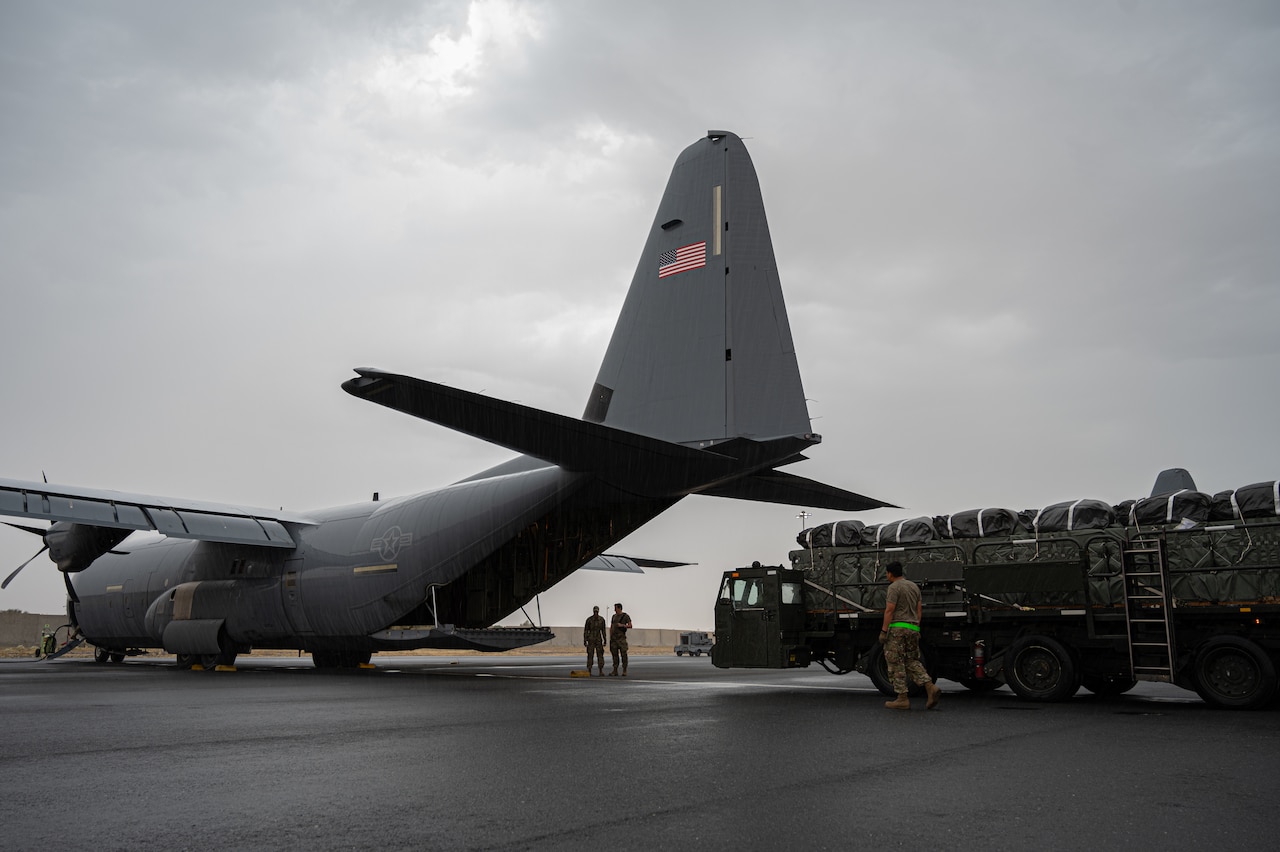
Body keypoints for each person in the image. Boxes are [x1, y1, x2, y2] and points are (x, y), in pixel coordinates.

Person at [879, 562, 941, 710]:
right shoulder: (913, 586)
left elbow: (889, 610)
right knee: (912, 660)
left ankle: (902, 698)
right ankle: (930, 686)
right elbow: (919, 610)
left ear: (890, 574)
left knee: (896, 662)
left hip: (897, 629)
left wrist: (883, 631)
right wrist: (916, 627)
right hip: (913, 628)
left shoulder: (893, 588)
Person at [609, 602, 633, 676]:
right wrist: (610, 635)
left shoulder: (625, 616)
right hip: (614, 639)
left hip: (621, 639)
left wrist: (622, 625)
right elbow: (611, 626)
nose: (614, 610)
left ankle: (624, 670)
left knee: (624, 655)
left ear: (619, 608)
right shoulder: (614, 616)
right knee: (614, 655)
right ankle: (615, 670)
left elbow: (630, 625)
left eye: (615, 608)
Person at [583, 606, 607, 676]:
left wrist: (605, 639)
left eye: (597, 611)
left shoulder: (601, 620)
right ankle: (589, 670)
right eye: (594, 611)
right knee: (590, 655)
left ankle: (601, 670)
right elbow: (586, 630)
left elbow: (603, 631)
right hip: (591, 639)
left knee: (600, 655)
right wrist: (585, 639)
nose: (595, 613)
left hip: (598, 639)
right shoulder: (589, 620)